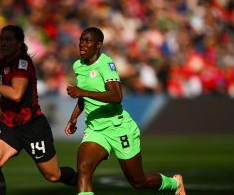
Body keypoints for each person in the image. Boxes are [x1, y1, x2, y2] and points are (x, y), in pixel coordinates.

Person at [64, 27, 186, 195]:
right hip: (95, 129)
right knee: (84, 170)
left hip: (118, 128)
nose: (82, 44)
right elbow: (84, 96)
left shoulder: (106, 65)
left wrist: (82, 92)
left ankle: (175, 184)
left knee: (138, 181)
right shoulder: (78, 65)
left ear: (98, 45)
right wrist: (74, 118)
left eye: (87, 41)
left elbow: (116, 96)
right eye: (81, 41)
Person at [0, 25, 77, 195]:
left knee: (53, 175)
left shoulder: (23, 63)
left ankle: (82, 180)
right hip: (10, 126)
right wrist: (0, 107)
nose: (3, 42)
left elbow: (16, 94)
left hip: (33, 126)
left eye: (8, 39)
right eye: (2, 39)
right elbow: (8, 93)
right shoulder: (1, 64)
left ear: (19, 42)